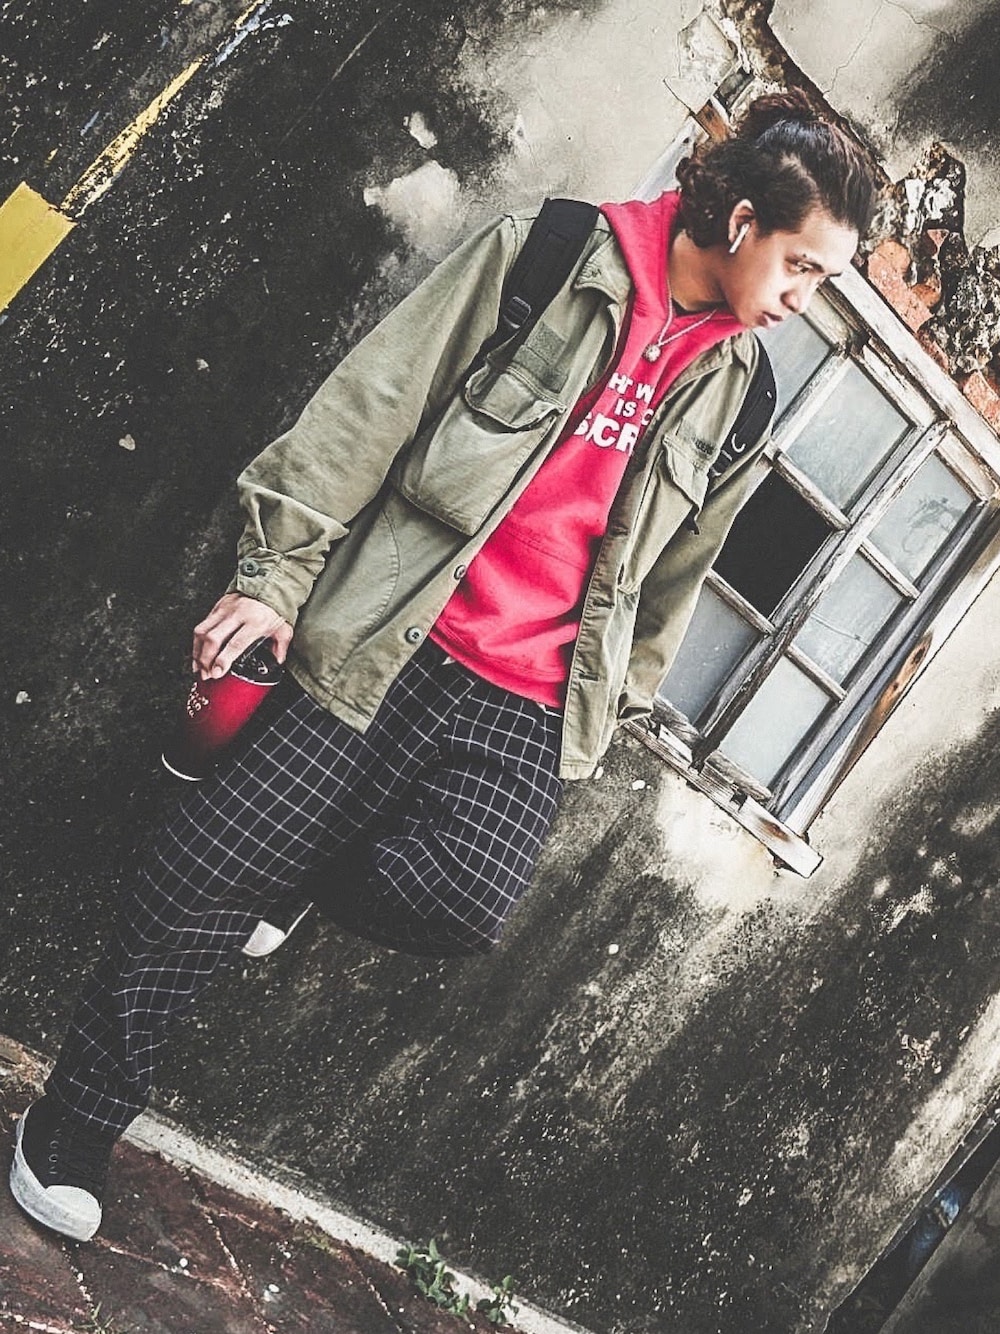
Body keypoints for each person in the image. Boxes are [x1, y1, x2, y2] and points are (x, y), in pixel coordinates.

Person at [9, 90, 875, 1242]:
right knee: (193, 888)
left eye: (824, 279)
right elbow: (372, 405)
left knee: (460, 897)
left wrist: (607, 701)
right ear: (741, 222)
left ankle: (288, 868)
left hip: (526, 697)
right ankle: (69, 1125)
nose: (805, 296)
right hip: (389, 631)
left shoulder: (744, 392)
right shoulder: (551, 253)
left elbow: (675, 577)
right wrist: (273, 576)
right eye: (802, 265)